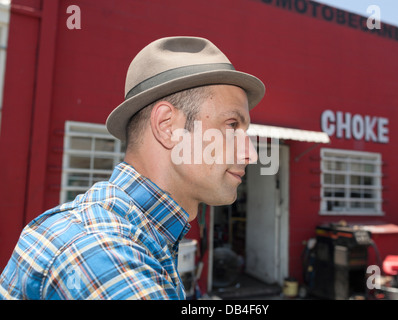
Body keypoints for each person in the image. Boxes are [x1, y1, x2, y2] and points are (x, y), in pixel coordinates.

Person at [0, 36, 265, 300]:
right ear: (167, 126)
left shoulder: (137, 235)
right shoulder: (102, 253)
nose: (250, 154)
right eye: (232, 125)